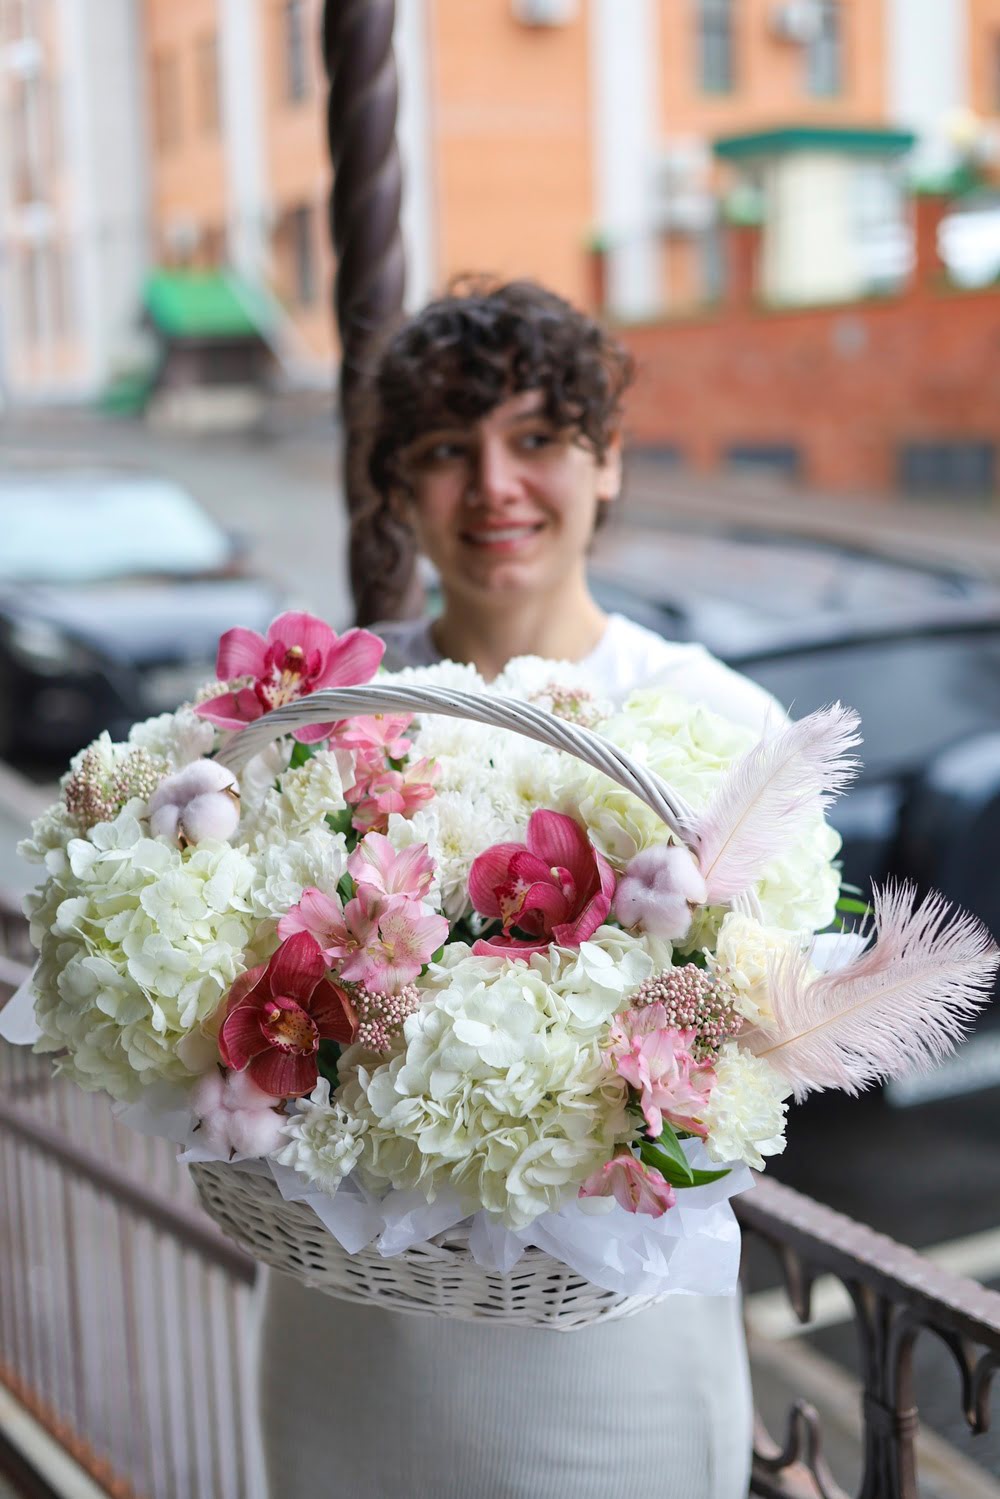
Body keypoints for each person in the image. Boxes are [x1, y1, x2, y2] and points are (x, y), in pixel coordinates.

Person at [256, 279, 780, 1498]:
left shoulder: (715, 719)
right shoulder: (334, 720)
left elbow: (768, 1049)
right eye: (447, 449)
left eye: (537, 437)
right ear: (398, 491)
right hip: (351, 1337)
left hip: (610, 1358)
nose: (494, 484)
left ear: (607, 462)